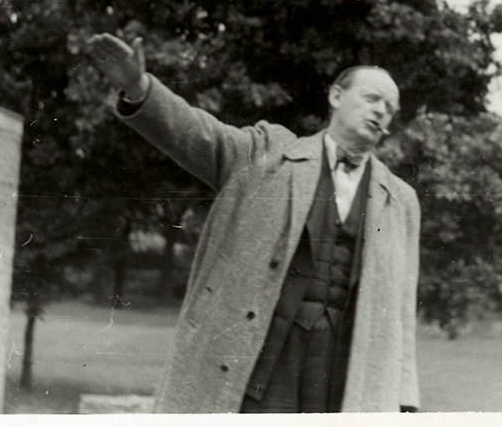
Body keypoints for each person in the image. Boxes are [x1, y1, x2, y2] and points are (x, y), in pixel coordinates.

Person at [84, 33, 420, 413]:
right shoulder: (269, 153)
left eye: (390, 108)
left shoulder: (401, 200)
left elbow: (402, 308)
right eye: (372, 98)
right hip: (261, 351)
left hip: (344, 371)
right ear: (336, 97)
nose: (381, 112)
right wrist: (139, 87)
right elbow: (199, 135)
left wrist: (405, 398)